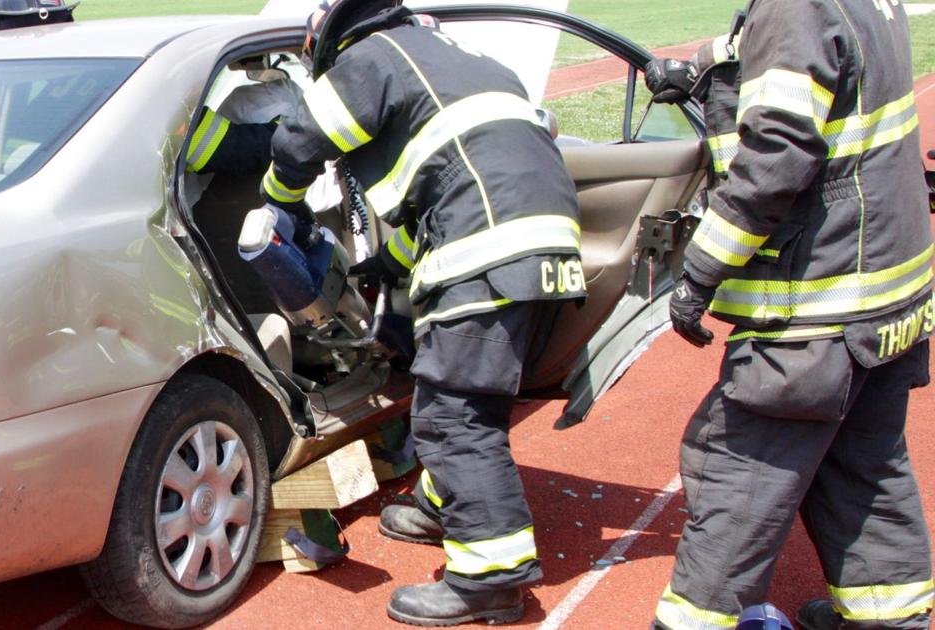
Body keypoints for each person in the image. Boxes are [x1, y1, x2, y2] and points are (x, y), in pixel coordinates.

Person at [258, 0, 586, 625]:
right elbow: (443, 190)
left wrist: (279, 203)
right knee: (465, 402)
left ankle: (490, 580)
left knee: (454, 417)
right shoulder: (461, 61)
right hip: (540, 243)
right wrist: (386, 267)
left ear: (333, 41)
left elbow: (302, 135)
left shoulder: (371, 58)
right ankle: (443, 509)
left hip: (486, 248)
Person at [644, 1, 934, 628]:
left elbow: (777, 151)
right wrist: (699, 70)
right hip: (885, 292)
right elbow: (817, 71)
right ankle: (892, 620)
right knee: (864, 469)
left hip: (819, 304)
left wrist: (699, 272)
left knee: (737, 475)